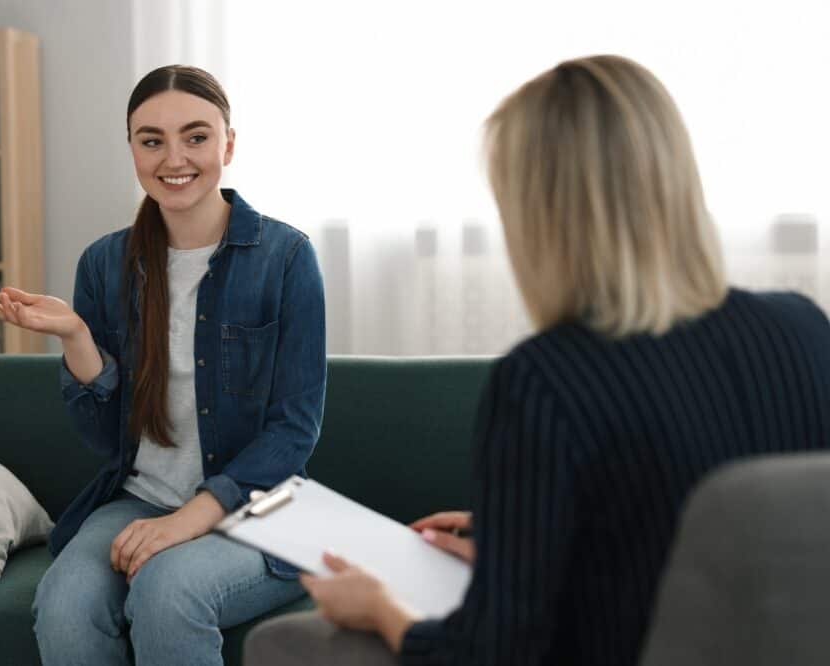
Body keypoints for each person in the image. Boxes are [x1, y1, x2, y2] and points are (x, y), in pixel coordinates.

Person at [243, 54, 830, 666]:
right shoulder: (804, 327)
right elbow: (712, 529)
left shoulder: (547, 378)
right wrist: (523, 540)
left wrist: (380, 607)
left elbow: (491, 653)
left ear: (541, 214)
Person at [0, 64, 326, 666]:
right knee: (65, 603)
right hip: (139, 499)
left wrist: (189, 520)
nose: (175, 158)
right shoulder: (104, 264)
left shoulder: (287, 257)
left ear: (229, 144)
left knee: (168, 592)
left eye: (196, 137)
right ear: (133, 149)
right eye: (152, 140)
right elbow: (103, 438)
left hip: (263, 509)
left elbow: (294, 428)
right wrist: (76, 337)